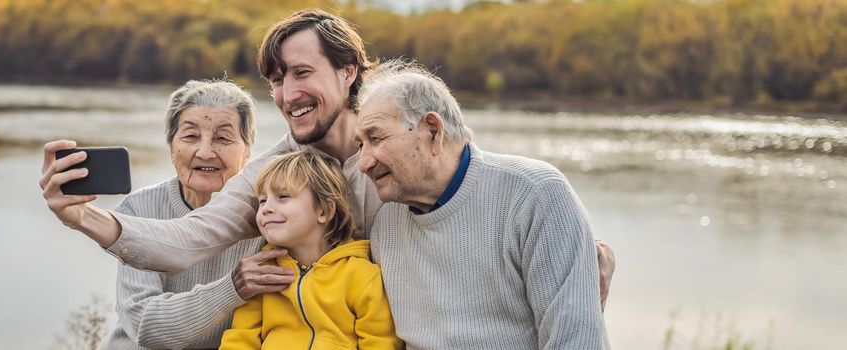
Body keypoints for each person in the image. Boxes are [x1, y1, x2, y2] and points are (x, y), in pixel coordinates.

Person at [38, 9, 615, 313]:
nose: (287, 94)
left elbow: (486, 199)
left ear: (348, 73)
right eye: (276, 80)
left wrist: (573, 251)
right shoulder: (275, 174)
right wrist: (84, 219)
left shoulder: (410, 148)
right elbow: (184, 241)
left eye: (300, 73)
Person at [356, 59, 609, 348]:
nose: (364, 163)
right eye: (360, 145)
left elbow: (577, 341)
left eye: (375, 138)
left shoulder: (536, 195)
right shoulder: (386, 223)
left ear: (433, 131)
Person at [94, 79, 266, 349]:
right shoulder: (140, 210)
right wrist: (231, 288)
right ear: (172, 149)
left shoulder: (269, 214)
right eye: (190, 136)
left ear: (248, 151)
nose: (205, 152)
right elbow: (145, 326)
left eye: (222, 138)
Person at [219, 149, 401, 349]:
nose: (266, 208)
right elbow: (239, 339)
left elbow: (380, 342)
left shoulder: (360, 275)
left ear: (324, 210)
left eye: (283, 196)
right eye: (262, 200)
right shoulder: (262, 274)